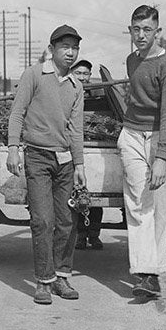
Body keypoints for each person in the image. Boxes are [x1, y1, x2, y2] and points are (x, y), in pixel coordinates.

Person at [6, 25, 86, 305]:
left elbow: (76, 129)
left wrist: (79, 165)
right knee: (42, 220)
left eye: (74, 47)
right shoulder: (34, 74)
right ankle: (43, 281)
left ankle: (62, 277)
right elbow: (18, 113)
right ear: (52, 49)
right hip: (37, 156)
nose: (70, 52)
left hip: (64, 161)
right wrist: (13, 149)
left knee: (66, 221)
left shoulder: (77, 86)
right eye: (64, 46)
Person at [117, 5, 166, 298]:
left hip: (160, 137)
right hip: (131, 134)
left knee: (159, 208)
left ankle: (153, 272)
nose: (140, 35)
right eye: (136, 29)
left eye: (147, 29)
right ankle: (144, 273)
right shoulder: (131, 61)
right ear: (130, 29)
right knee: (138, 203)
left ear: (157, 31)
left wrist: (161, 157)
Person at [70, 60, 104, 250]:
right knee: (76, 196)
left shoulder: (98, 95)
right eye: (79, 73)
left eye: (86, 74)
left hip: (93, 148)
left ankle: (94, 235)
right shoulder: (67, 91)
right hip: (74, 147)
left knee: (96, 196)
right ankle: (80, 236)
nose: (83, 77)